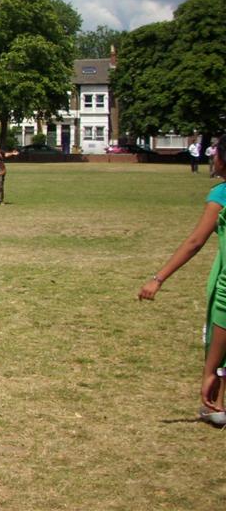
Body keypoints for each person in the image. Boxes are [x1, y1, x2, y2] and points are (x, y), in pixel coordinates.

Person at [138, 137, 226, 426]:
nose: (212, 159)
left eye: (215, 155)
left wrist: (158, 278)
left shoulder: (221, 196)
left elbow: (195, 241)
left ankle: (215, 401)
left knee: (219, 339)